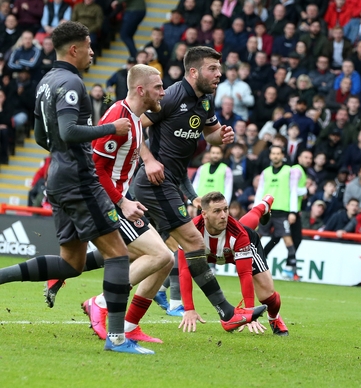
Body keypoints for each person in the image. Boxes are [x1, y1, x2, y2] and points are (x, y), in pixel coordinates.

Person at [0, 22, 151, 354]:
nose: (93, 52)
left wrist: (62, 156)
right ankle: (116, 339)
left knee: (72, 263)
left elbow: (43, 137)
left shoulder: (46, 82)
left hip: (57, 176)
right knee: (118, 254)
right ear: (74, 49)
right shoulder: (71, 83)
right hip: (79, 180)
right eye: (88, 45)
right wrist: (110, 126)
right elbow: (68, 131)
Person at [131, 45, 266, 332]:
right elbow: (133, 125)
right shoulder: (171, 96)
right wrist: (149, 159)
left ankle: (114, 312)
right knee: (192, 242)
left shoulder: (205, 101)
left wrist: (222, 136)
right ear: (193, 71)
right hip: (155, 180)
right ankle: (227, 313)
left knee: (152, 254)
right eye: (212, 69)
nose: (219, 74)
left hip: (172, 182)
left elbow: (209, 134)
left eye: (219, 69)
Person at [45, 64, 173, 345]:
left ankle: (129, 325)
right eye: (158, 87)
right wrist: (121, 201)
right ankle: (100, 303)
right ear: (141, 89)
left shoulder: (138, 120)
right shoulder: (118, 115)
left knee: (162, 259)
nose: (162, 92)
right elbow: (96, 166)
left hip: (118, 200)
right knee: (159, 256)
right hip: (107, 202)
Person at [178, 192, 289, 335]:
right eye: (217, 211)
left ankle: (274, 317)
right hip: (211, 254)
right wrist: (189, 308)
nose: (223, 215)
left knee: (267, 296)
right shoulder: (190, 231)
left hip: (237, 251)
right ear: (204, 214)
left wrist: (250, 313)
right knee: (244, 223)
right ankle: (264, 205)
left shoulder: (239, 234)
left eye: (225, 209)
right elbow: (184, 271)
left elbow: (245, 274)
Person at [254, 145, 306, 280]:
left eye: (278, 153)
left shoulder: (290, 171)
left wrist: (293, 211)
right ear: (270, 155)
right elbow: (260, 191)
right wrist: (255, 209)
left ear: (283, 156)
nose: (276, 156)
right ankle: (250, 264)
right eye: (273, 153)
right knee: (255, 238)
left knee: (288, 240)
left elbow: (293, 191)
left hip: (283, 211)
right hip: (266, 210)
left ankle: (291, 270)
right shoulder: (265, 172)